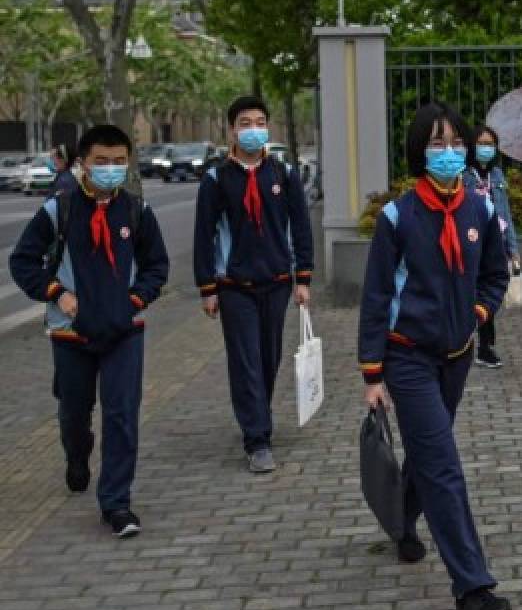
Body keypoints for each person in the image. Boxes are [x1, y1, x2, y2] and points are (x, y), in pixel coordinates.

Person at [358, 101, 512, 610]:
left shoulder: (480, 209)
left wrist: (478, 310)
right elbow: (376, 297)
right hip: (408, 357)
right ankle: (472, 589)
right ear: (419, 152)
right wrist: (372, 373)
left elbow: (495, 273)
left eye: (456, 143)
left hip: (457, 356)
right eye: (436, 144)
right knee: (443, 464)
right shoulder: (398, 217)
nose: (449, 153)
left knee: (430, 450)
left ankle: (402, 522)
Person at [9, 125, 169, 538]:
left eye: (119, 162)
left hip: (124, 331)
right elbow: (23, 261)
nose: (111, 169)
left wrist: (134, 300)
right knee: (74, 413)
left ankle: (116, 504)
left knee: (122, 415)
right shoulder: (57, 210)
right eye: (102, 162)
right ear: (83, 163)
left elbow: (156, 266)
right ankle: (77, 455)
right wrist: (57, 293)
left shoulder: (137, 211)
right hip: (70, 333)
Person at [193, 96, 314, 474]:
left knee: (268, 357)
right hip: (234, 285)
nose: (253, 128)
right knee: (245, 361)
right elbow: (204, 235)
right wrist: (208, 288)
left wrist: (303, 277)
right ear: (232, 129)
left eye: (260, 121)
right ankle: (257, 438)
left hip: (277, 281)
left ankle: (257, 411)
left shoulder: (283, 174)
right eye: (245, 122)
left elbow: (301, 226)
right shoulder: (216, 178)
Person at [463, 124, 520, 368]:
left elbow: (505, 212)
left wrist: (513, 249)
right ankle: (462, 341)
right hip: (471, 240)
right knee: (467, 293)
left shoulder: (497, 176)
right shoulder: (463, 175)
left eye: (490, 144)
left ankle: (485, 347)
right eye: (482, 143)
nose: (486, 148)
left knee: (488, 294)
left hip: (494, 243)